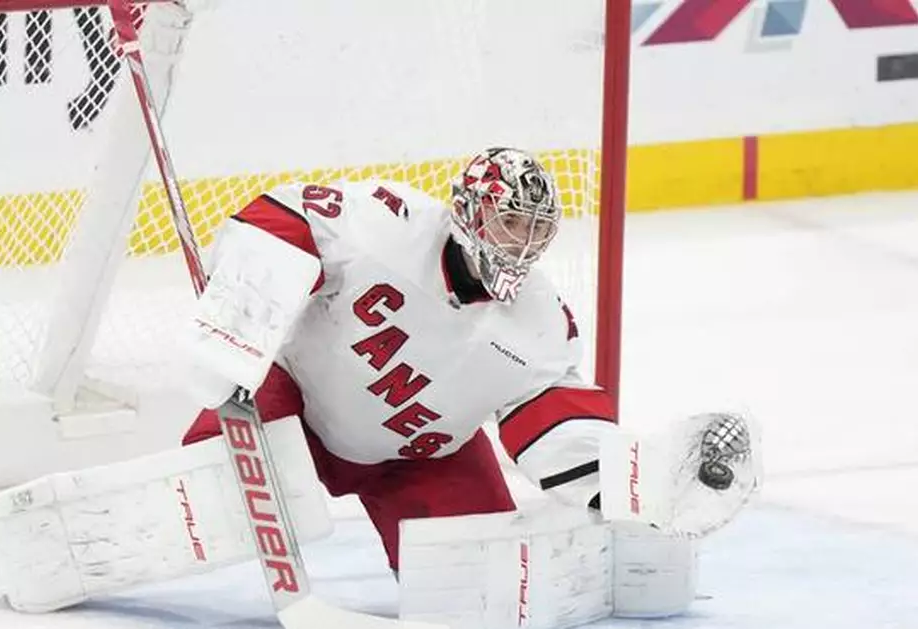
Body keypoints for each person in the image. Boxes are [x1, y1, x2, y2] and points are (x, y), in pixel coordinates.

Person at [179, 147, 619, 573]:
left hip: (422, 461)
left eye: (535, 229)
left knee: (481, 582)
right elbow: (285, 216)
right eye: (509, 221)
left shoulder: (540, 320)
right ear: (469, 211)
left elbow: (558, 422)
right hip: (298, 406)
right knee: (203, 500)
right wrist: (240, 313)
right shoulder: (389, 228)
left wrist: (621, 487)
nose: (522, 243)